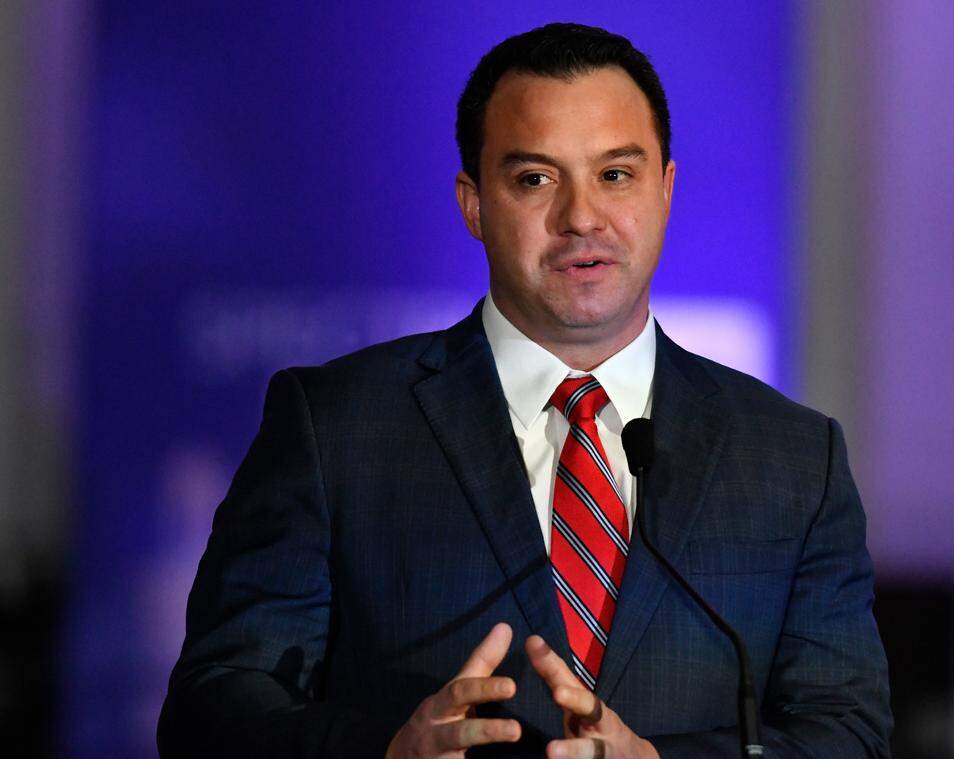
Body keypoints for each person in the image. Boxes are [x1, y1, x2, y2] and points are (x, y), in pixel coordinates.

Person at [158, 22, 891, 758]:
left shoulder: (794, 459)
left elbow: (848, 735)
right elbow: (210, 708)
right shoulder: (337, 428)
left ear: (665, 191)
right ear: (474, 203)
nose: (581, 217)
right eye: (536, 178)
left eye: (615, 175)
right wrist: (384, 751)